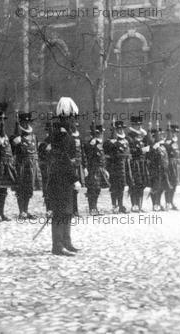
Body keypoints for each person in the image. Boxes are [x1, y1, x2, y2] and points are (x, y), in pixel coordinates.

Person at [47, 97, 81, 256]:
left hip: (64, 178)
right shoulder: (61, 135)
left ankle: (66, 241)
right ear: (66, 117)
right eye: (72, 117)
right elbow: (64, 159)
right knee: (60, 212)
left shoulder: (64, 133)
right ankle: (57, 245)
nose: (74, 121)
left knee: (68, 211)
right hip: (61, 179)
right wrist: (74, 178)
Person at [11, 112, 41, 219]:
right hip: (21, 164)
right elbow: (12, 151)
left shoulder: (34, 136)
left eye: (27, 122)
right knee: (21, 187)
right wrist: (15, 142)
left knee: (29, 188)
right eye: (23, 122)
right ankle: (21, 211)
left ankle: (26, 210)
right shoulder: (16, 136)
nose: (26, 124)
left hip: (32, 164)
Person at [105, 120, 132, 214]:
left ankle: (120, 205)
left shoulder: (126, 140)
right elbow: (107, 152)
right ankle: (114, 205)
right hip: (114, 166)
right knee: (114, 186)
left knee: (121, 186)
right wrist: (113, 141)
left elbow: (128, 152)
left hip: (124, 166)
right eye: (118, 129)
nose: (120, 130)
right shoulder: (111, 141)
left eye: (121, 128)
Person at [84, 125, 110, 215]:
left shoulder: (100, 144)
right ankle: (92, 208)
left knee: (97, 189)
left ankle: (95, 207)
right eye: (99, 133)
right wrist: (91, 144)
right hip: (92, 169)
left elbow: (102, 158)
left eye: (101, 133)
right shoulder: (91, 144)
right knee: (92, 189)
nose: (101, 135)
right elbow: (88, 155)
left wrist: (104, 169)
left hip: (99, 169)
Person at [127, 116, 151, 213]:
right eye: (137, 125)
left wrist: (148, 132)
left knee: (142, 183)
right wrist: (140, 150)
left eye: (140, 125)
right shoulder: (129, 136)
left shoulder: (142, 136)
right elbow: (130, 150)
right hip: (134, 162)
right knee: (134, 183)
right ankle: (134, 205)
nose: (139, 127)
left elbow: (150, 142)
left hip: (142, 163)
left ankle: (139, 205)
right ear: (133, 125)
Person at [147, 127, 171, 211]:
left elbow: (165, 158)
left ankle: (158, 203)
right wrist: (153, 147)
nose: (160, 137)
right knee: (155, 187)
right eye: (158, 135)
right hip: (154, 170)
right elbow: (145, 153)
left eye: (160, 135)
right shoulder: (150, 145)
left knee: (162, 187)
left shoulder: (162, 146)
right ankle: (154, 204)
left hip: (163, 170)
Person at [164, 124, 180, 210]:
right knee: (169, 184)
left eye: (176, 132)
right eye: (173, 132)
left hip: (177, 165)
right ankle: (167, 202)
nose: (174, 134)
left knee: (175, 184)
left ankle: (171, 201)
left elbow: (179, 154)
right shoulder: (167, 142)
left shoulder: (176, 142)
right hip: (170, 164)